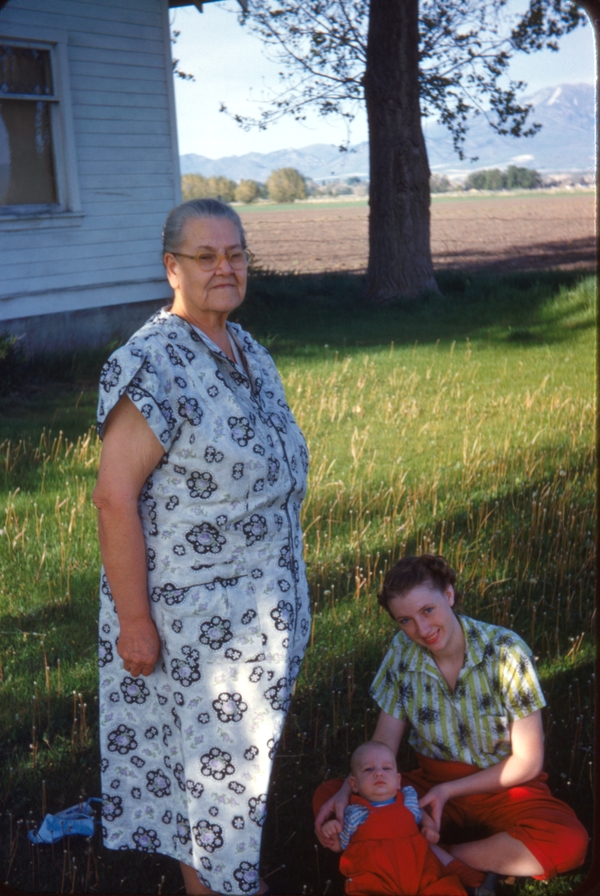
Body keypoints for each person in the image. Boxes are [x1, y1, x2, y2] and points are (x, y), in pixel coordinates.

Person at [93, 198, 311, 896]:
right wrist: (134, 622)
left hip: (260, 619)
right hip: (197, 633)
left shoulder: (247, 348)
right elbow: (113, 497)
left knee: (222, 794)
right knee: (217, 794)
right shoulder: (152, 362)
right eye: (206, 255)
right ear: (172, 267)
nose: (225, 267)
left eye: (236, 253)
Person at [315, 554, 588, 891]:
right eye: (406, 620)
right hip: (430, 783)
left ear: (449, 595)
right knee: (328, 798)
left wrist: (449, 791)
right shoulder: (403, 652)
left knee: (570, 843)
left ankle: (438, 856)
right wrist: (347, 790)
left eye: (427, 610)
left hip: (504, 784)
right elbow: (383, 744)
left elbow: (528, 762)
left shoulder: (505, 650)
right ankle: (455, 861)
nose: (422, 629)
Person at [314, 740, 466, 895]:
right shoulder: (355, 813)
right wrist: (331, 832)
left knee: (442, 888)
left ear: (398, 781)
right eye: (368, 769)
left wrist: (430, 827)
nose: (379, 773)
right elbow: (342, 846)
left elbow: (421, 815)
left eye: (386, 768)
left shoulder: (408, 800)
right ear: (354, 784)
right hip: (377, 877)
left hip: (417, 867)